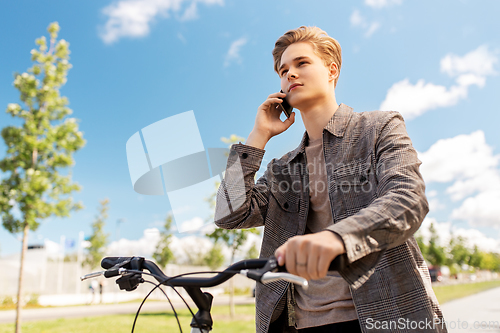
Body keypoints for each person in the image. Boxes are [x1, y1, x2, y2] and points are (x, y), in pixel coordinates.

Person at [214, 26, 447, 333]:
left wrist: (336, 238)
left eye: (302, 63)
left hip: (388, 317)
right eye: (283, 71)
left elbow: (407, 200)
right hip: (302, 324)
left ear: (332, 70)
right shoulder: (282, 169)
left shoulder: (378, 128)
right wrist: (257, 137)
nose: (290, 75)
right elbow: (230, 214)